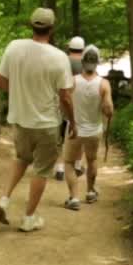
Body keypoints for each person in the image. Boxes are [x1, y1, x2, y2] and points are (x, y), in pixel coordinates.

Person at [0, 8, 76, 232]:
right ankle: (29, 218)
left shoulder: (14, 47)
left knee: (21, 158)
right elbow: (66, 97)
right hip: (47, 123)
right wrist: (73, 123)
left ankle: (4, 198)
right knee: (41, 170)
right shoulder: (59, 57)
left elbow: (0, 81)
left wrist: (21, 94)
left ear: (31, 25)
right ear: (52, 28)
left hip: (21, 120)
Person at [62, 45, 114, 210]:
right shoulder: (104, 84)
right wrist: (107, 110)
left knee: (69, 163)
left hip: (74, 129)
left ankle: (74, 198)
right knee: (92, 160)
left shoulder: (73, 81)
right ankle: (90, 192)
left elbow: (64, 102)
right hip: (94, 130)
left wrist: (68, 119)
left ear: (83, 62)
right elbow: (108, 109)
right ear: (97, 63)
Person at [55, 36, 87, 181]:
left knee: (62, 135)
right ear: (83, 48)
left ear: (69, 47)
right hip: (80, 102)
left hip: (63, 100)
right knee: (79, 134)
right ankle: (78, 165)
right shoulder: (86, 63)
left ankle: (60, 167)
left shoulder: (63, 60)